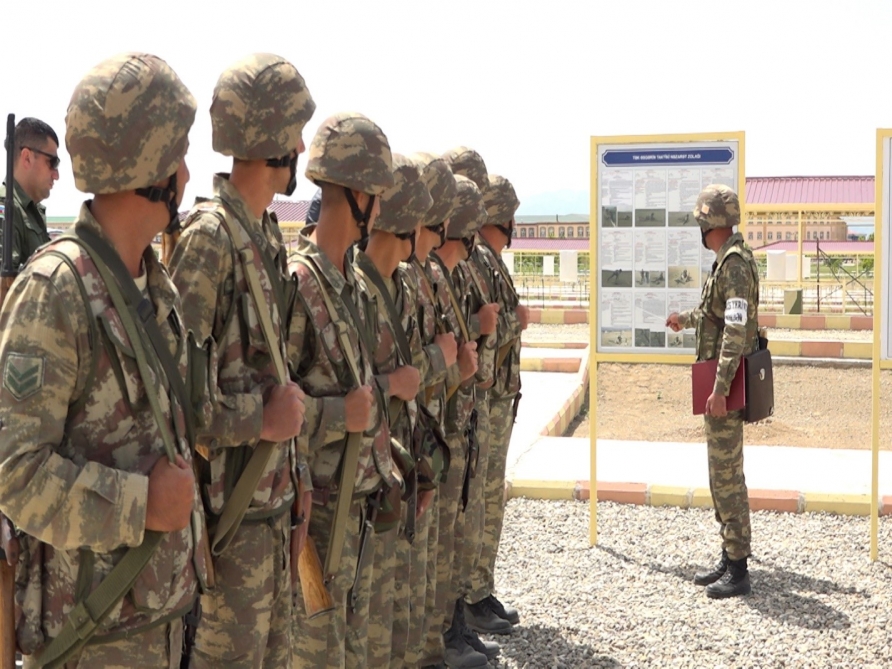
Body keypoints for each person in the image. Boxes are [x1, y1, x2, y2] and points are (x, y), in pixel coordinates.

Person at [0, 52, 209, 667]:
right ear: (150, 165)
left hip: (157, 623)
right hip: (90, 641)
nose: (187, 172)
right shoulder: (55, 290)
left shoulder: (151, 283)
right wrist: (141, 504)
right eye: (178, 154)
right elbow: (15, 475)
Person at [166, 53, 314, 667]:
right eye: (296, 131)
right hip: (230, 526)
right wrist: (262, 422)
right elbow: (174, 404)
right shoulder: (210, 240)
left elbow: (276, 377)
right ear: (273, 137)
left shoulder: (262, 236)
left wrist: (297, 480)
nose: (302, 146)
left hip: (270, 512)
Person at [287, 112, 402, 669]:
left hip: (357, 507)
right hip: (318, 520)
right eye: (375, 197)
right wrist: (339, 415)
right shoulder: (297, 284)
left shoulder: (351, 284)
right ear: (357, 195)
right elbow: (272, 414)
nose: (379, 212)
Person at [351, 153, 432, 667]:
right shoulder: (353, 289)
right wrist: (392, 386)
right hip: (360, 485)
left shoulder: (402, 285)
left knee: (390, 615)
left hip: (394, 474)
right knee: (365, 629)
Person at [666, 183, 759, 599]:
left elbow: (735, 331)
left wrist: (720, 389)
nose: (700, 230)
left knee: (727, 476)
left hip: (726, 386)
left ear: (714, 223)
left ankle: (738, 567)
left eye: (703, 222)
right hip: (719, 383)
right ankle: (729, 553)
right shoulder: (726, 262)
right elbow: (712, 313)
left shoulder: (734, 265)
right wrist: (684, 319)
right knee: (720, 474)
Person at [422, 174, 495, 669]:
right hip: (437, 429)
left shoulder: (446, 275)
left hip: (454, 421)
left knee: (451, 537)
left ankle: (451, 628)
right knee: (436, 546)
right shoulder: (429, 276)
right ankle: (443, 637)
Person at [402, 152, 461, 669]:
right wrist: (442, 358)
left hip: (424, 442)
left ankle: (433, 647)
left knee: (423, 568)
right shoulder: (402, 276)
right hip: (403, 450)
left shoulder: (422, 274)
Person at [466, 173, 526, 632]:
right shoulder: (481, 260)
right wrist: (515, 320)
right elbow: (483, 329)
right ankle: (474, 595)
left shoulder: (489, 258)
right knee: (483, 501)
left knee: (490, 499)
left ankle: (481, 590)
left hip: (499, 397)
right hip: (486, 397)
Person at [0, 117, 60, 269]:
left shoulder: (31, 211)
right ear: (27, 158)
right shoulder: (6, 207)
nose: (56, 175)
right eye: (52, 163)